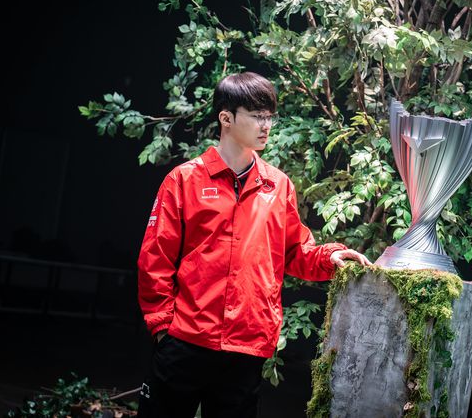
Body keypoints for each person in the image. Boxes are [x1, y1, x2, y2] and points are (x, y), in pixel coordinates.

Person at [136, 72, 372, 418]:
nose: (267, 126)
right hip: (185, 340)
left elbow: (295, 251)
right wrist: (162, 328)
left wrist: (329, 256)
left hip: (246, 347)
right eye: (257, 116)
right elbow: (155, 259)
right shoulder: (184, 180)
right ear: (226, 118)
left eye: (270, 117)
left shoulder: (278, 185)